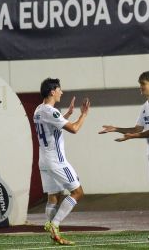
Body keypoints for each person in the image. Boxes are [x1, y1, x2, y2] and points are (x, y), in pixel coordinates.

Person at [99, 71, 149, 240]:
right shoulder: (146, 106)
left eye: (142, 84)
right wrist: (116, 129)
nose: (140, 88)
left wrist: (133, 137)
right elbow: (138, 129)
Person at [34, 78, 90, 245]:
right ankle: (55, 224)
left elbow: (52, 126)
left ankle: (52, 232)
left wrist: (68, 114)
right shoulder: (51, 111)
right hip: (57, 161)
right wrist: (84, 114)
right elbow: (74, 129)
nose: (61, 92)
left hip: (44, 161)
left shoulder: (39, 109)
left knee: (53, 196)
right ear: (52, 91)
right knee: (78, 192)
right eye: (59, 89)